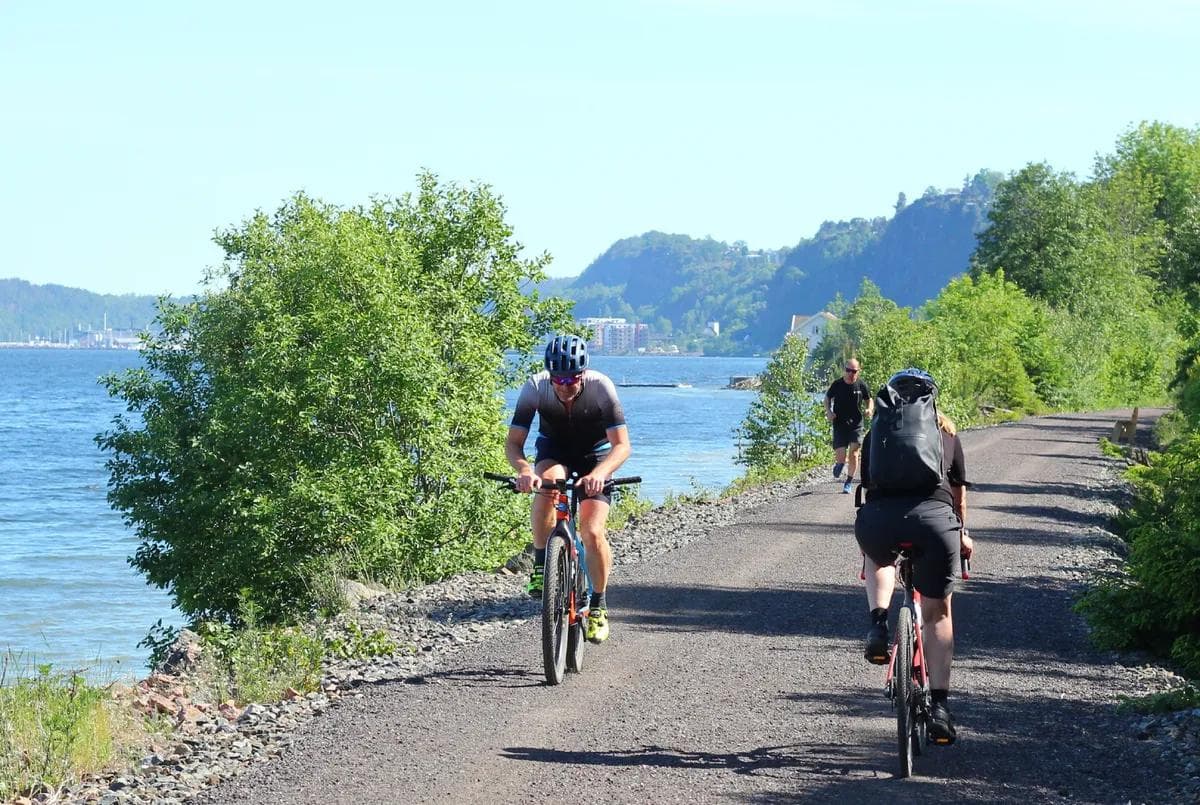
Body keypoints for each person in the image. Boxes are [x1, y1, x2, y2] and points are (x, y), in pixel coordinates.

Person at [854, 367, 974, 744]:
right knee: (938, 612)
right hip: (935, 524)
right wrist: (963, 534)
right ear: (931, 399)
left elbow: (867, 483)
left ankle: (878, 624)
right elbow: (957, 495)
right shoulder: (947, 434)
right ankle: (939, 707)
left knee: (878, 558)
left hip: (880, 521)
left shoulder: (878, 432)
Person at [505, 334, 632, 644]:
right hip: (555, 449)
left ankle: (598, 605)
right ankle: (540, 563)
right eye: (558, 378)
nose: (564, 385)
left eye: (572, 378)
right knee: (545, 484)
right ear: (550, 374)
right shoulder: (536, 387)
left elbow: (622, 446)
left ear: (583, 373)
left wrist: (601, 473)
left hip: (596, 455)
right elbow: (513, 443)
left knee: (591, 531)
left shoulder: (602, 387)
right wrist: (524, 470)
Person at [825, 358, 873, 494]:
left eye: (854, 371)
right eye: (848, 370)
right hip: (840, 424)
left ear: (858, 371)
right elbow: (827, 399)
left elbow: (869, 400)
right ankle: (840, 464)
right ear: (844, 370)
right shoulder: (837, 384)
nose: (851, 373)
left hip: (856, 424)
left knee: (854, 453)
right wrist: (829, 412)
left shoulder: (861, 385)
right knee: (841, 456)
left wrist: (869, 409)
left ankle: (848, 482)